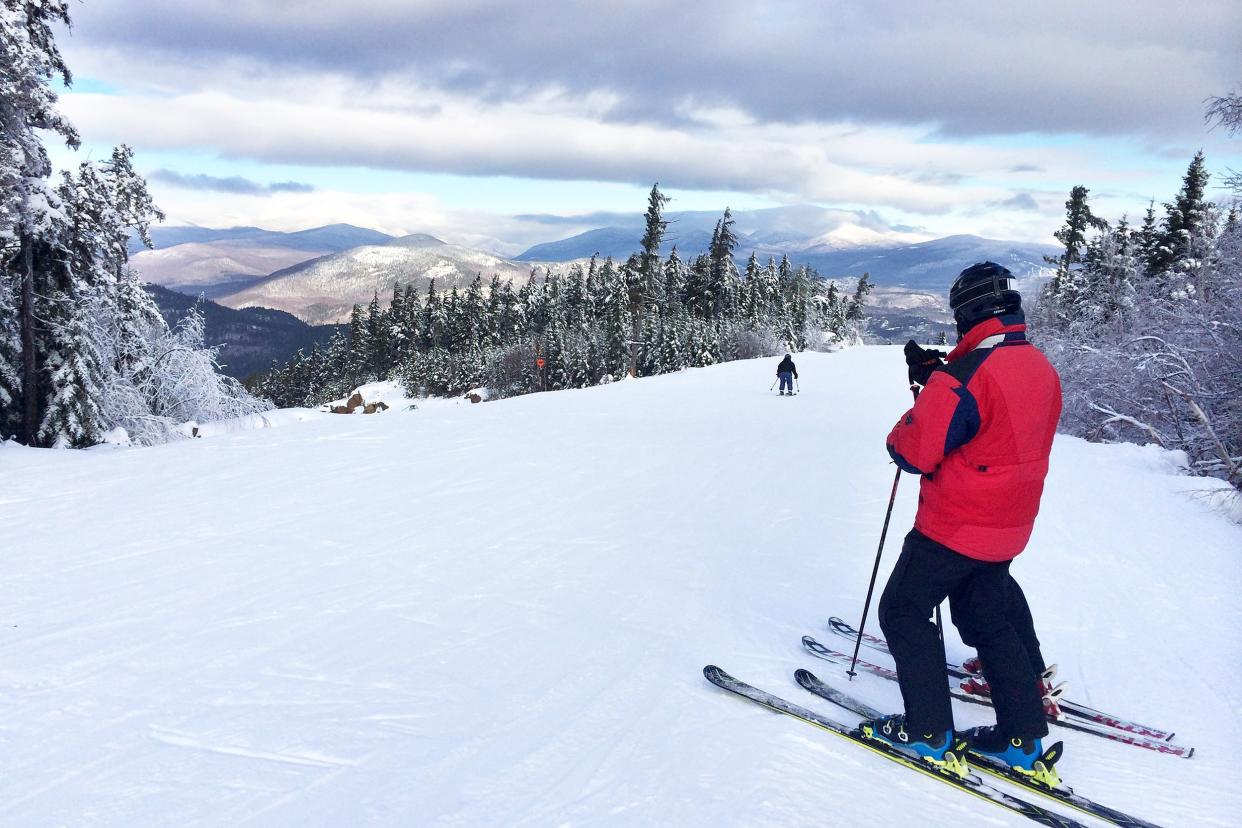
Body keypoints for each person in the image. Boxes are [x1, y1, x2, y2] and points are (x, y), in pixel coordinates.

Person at [858, 262, 1063, 784]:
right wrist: (938, 374)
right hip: (1010, 527)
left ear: (967, 311)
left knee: (903, 611)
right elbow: (990, 406)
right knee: (990, 621)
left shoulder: (963, 377)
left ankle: (928, 732)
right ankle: (1022, 740)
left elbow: (914, 451)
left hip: (954, 527)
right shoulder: (1037, 364)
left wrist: (930, 393)